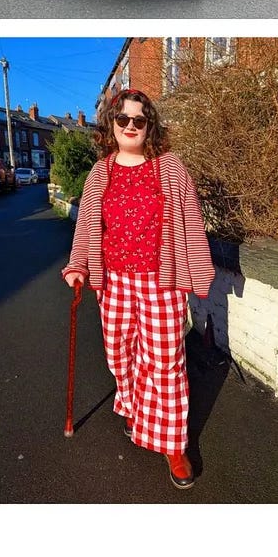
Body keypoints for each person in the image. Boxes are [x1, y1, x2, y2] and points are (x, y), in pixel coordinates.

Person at [62, 88, 215, 490]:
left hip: (160, 283)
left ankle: (173, 445)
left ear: (150, 126)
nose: (131, 126)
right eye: (123, 119)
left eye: (139, 120)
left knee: (165, 362)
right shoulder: (100, 172)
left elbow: (191, 222)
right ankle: (134, 411)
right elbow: (87, 227)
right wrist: (78, 266)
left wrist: (199, 275)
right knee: (120, 357)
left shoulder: (170, 167)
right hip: (113, 283)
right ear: (110, 125)